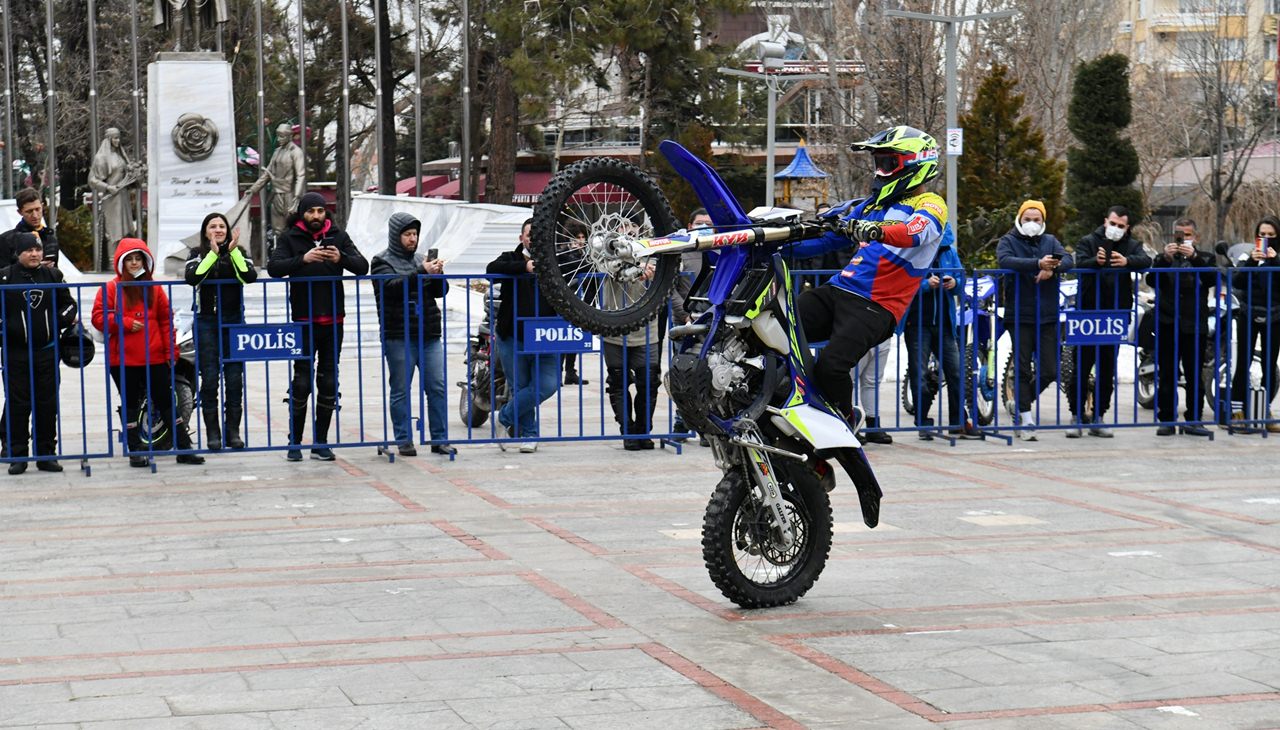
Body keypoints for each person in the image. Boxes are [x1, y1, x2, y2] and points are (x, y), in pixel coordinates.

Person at [782, 126, 948, 435]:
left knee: (832, 366)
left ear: (914, 164)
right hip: (838, 290)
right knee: (778, 326)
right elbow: (826, 237)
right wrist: (777, 243)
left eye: (887, 163)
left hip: (876, 306)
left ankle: (844, 429)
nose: (879, 171)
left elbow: (915, 231)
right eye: (878, 163)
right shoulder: (870, 205)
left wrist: (873, 229)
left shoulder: (930, 205)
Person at [267, 192, 369, 461]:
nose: (316, 216)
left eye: (320, 211)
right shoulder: (290, 238)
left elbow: (362, 266)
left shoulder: (339, 236)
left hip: (334, 319)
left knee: (328, 380)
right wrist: (304, 259)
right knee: (301, 382)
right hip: (303, 320)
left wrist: (340, 259)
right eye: (310, 211)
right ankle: (295, 442)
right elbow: (274, 267)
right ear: (302, 213)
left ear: (326, 213)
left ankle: (321, 441)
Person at [91, 238, 205, 467]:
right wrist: (124, 322)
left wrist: (170, 352)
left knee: (166, 402)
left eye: (138, 258)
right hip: (123, 359)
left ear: (145, 261)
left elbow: (166, 322)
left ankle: (183, 448)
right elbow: (98, 317)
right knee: (130, 404)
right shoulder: (112, 288)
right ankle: (135, 450)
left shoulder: (154, 288)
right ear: (121, 262)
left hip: (154, 357)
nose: (134, 263)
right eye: (130, 259)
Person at [371, 212, 455, 457]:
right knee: (400, 389)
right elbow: (390, 288)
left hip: (428, 333)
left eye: (415, 234)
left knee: (437, 387)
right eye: (407, 234)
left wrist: (437, 275)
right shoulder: (381, 260)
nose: (412, 239)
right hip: (398, 334)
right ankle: (403, 438)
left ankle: (439, 439)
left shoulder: (421, 260)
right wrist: (420, 272)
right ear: (396, 236)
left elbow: (440, 292)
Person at [1065, 205, 1151, 438]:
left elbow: (1145, 261)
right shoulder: (1088, 241)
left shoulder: (1131, 244)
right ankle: (1076, 415)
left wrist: (1127, 261)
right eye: (1112, 224)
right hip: (1088, 313)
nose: (1116, 229)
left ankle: (1099, 416)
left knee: (1106, 368)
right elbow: (1076, 264)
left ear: (1127, 227)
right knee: (1081, 366)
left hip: (1115, 314)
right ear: (1105, 221)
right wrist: (1095, 260)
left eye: (1121, 226)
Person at [0, 233, 77, 473]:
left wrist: (57, 322)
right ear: (18, 253)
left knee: (47, 403)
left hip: (46, 351)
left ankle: (46, 454)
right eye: (29, 250)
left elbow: (69, 304)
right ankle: (18, 455)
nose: (34, 254)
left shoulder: (52, 275)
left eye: (38, 249)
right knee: (18, 405)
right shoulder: (5, 276)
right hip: (15, 353)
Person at [997, 200, 1073, 441]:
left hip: (1047, 314)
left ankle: (1019, 402)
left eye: (1036, 219)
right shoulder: (1008, 240)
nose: (1032, 223)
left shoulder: (1050, 241)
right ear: (1020, 219)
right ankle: (1026, 416)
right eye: (1027, 219)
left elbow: (1069, 260)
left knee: (1050, 369)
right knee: (1021, 366)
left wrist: (1054, 268)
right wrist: (1036, 264)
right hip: (1019, 314)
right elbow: (1006, 260)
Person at [485, 219, 562, 453]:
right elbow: (491, 269)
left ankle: (503, 416)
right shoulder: (511, 257)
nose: (533, 238)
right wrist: (524, 268)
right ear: (522, 238)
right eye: (529, 234)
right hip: (513, 335)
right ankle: (530, 435)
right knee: (520, 386)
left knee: (548, 384)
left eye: (538, 234)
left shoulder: (554, 260)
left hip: (545, 335)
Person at [184, 212, 257, 451]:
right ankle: (213, 433)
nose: (218, 230)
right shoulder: (197, 253)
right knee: (210, 379)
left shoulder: (239, 252)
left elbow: (249, 276)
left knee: (235, 378)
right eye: (212, 226)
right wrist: (213, 255)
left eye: (222, 226)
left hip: (233, 320)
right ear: (205, 231)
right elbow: (193, 277)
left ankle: (232, 432)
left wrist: (233, 251)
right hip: (206, 321)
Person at [902, 223, 975, 440]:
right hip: (917, 323)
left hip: (944, 323)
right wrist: (926, 284)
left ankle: (957, 422)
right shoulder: (911, 250)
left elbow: (961, 281)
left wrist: (955, 283)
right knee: (920, 373)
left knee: (955, 372)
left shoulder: (949, 251)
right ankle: (923, 422)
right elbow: (903, 283)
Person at [1146, 218, 1217, 437]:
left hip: (1194, 322)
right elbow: (1151, 281)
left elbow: (1211, 278)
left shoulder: (1205, 257)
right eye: (1179, 234)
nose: (1183, 238)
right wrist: (1165, 259)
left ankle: (1194, 419)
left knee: (1195, 372)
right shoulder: (1163, 258)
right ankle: (1166, 419)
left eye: (1187, 234)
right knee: (1167, 372)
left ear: (1195, 237)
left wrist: (1193, 257)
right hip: (1168, 321)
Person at [602, 259, 663, 450]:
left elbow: (676, 267)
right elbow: (604, 266)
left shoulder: (655, 246)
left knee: (649, 382)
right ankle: (627, 431)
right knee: (618, 382)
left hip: (647, 330)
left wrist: (652, 268)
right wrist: (638, 269)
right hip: (614, 328)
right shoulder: (606, 245)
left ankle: (643, 431)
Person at [1227, 215, 1280, 433]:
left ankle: (1264, 410)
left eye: (1270, 235)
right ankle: (1236, 410)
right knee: (1243, 362)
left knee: (1270, 364)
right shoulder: (1247, 255)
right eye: (1262, 234)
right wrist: (1251, 260)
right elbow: (1237, 280)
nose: (1265, 239)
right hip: (1249, 313)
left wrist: (1275, 260)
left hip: (1275, 315)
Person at [669, 208, 713, 440]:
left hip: (714, 324)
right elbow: (670, 289)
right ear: (690, 226)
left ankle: (707, 427)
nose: (704, 226)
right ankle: (681, 423)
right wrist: (684, 315)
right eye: (699, 223)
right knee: (683, 375)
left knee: (709, 378)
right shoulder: (682, 253)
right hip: (686, 324)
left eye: (708, 223)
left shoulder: (722, 252)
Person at [88, 128, 140, 247]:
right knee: (114, 232)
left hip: (123, 197)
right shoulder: (101, 157)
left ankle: (123, 259)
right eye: (115, 138)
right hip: (112, 199)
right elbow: (92, 180)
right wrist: (108, 187)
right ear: (109, 139)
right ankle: (112, 263)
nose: (118, 140)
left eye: (119, 137)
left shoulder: (120, 155)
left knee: (126, 232)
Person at [559, 222, 590, 386]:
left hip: (579, 301)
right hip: (565, 301)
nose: (581, 240)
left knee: (575, 337)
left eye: (583, 237)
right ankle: (559, 370)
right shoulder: (564, 254)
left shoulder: (583, 254)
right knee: (564, 337)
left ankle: (570, 371)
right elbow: (575, 267)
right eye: (577, 237)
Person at [262, 123, 306, 236]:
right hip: (276, 194)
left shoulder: (296, 152)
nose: (279, 139)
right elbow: (267, 173)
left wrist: (297, 197)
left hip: (289, 195)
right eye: (278, 136)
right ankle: (278, 251)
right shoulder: (277, 151)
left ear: (289, 136)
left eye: (282, 136)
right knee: (277, 230)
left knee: (292, 227)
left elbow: (301, 175)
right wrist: (252, 190)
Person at [0, 188, 58, 267]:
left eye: (37, 209)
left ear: (42, 206)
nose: (35, 215)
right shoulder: (6, 240)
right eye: (29, 211)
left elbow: (56, 273)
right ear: (20, 212)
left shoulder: (50, 239)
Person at [854, 341, 894, 444]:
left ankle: (873, 426)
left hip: (883, 335)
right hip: (859, 333)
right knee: (851, 381)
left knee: (872, 382)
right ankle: (851, 425)